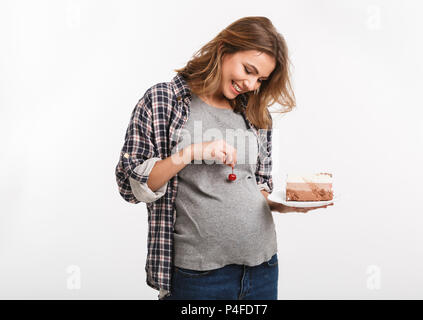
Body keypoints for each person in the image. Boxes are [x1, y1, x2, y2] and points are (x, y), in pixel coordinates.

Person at [115, 16, 332, 300]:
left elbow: (259, 187)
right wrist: (192, 152)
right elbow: (130, 184)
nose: (252, 84)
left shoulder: (256, 113)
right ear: (224, 49)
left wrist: (284, 205)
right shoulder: (163, 100)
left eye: (260, 79)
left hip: (262, 267)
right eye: (248, 70)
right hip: (198, 275)